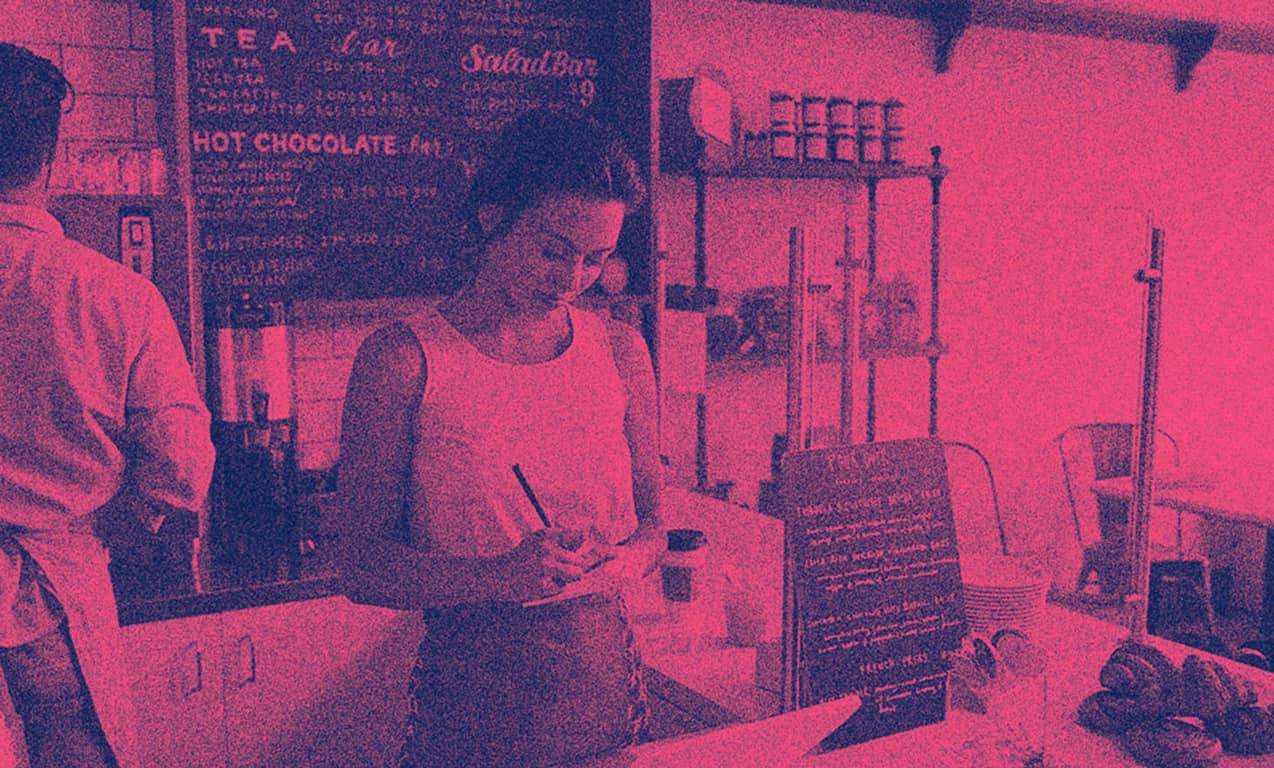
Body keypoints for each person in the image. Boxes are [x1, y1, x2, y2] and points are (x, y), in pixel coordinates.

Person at [337, 108, 662, 768]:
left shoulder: (621, 352)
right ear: (492, 217)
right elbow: (360, 565)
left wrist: (620, 560)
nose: (572, 279)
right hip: (472, 699)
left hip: (604, 683)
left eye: (595, 259)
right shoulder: (403, 359)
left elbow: (655, 524)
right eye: (552, 251)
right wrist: (500, 575)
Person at [0, 43, 214, 768]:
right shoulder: (115, 294)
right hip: (57, 599)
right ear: (53, 166)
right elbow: (181, 467)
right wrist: (112, 525)